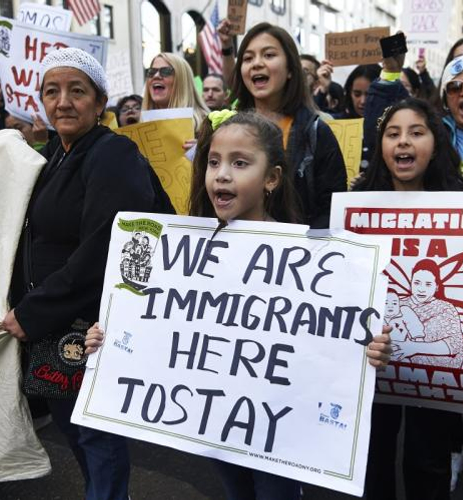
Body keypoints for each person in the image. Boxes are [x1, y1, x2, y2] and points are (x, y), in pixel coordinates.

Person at [85, 110, 392, 500]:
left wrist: (370, 351)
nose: (222, 174)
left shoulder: (309, 260)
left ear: (272, 179)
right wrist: (107, 340)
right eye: (213, 162)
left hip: (279, 429)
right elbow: (154, 327)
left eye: (240, 163)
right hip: (215, 423)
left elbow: (332, 338)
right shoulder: (182, 255)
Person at [1, 47, 174, 500]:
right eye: (52, 91)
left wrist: (32, 309)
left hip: (91, 321)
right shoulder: (53, 155)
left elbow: (104, 247)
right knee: (73, 429)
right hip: (54, 323)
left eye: (76, 91)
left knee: (97, 436)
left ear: (100, 103)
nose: (63, 102)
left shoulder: (113, 154)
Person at [355, 97, 463, 500]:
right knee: (373, 459)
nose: (404, 142)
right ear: (380, 146)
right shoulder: (353, 207)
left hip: (434, 382)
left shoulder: (459, 202)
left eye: (416, 133)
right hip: (372, 366)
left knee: (427, 461)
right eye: (393, 134)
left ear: (435, 143)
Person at [219, 22, 347, 228]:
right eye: (248, 58)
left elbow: (331, 208)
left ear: (290, 70)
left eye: (268, 55)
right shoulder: (225, 129)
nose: (256, 64)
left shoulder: (315, 132)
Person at [142, 52, 209, 135]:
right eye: (151, 72)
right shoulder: (140, 125)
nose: (156, 76)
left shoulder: (208, 125)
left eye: (166, 71)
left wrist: (200, 146)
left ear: (182, 81)